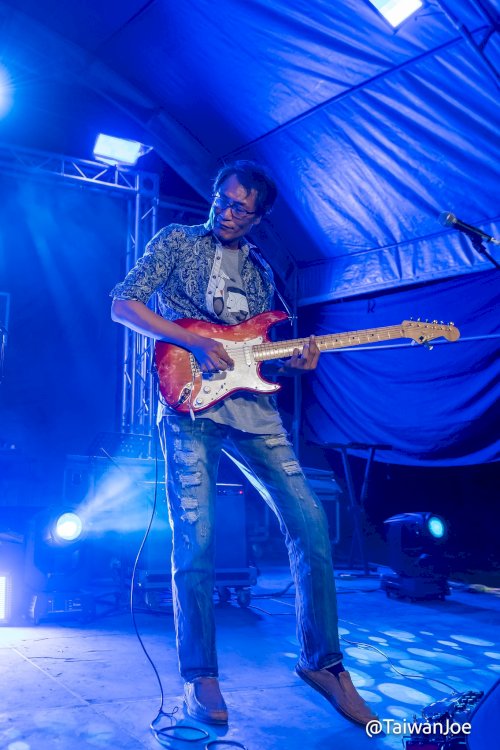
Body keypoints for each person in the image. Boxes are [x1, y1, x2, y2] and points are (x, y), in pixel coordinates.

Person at [110, 161, 377, 728]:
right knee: (197, 541)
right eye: (222, 199)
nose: (226, 212)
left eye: (239, 208)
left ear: (258, 218)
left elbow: (256, 353)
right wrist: (191, 340)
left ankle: (323, 663)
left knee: (311, 525)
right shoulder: (178, 241)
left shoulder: (261, 271)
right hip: (188, 404)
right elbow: (123, 304)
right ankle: (200, 677)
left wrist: (295, 361)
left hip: (253, 412)